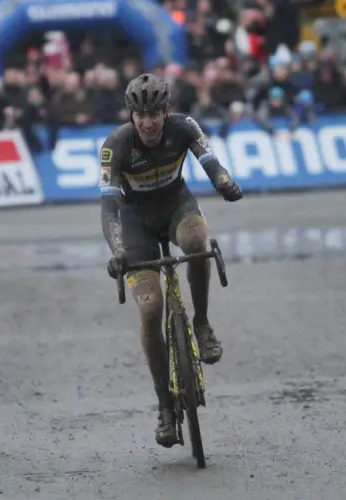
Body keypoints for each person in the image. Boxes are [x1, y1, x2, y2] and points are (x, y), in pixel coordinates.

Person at [99, 73, 243, 447]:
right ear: (131, 115)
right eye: (139, 114)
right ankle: (164, 406)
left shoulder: (184, 127)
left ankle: (202, 323)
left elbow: (210, 160)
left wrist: (224, 183)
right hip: (135, 222)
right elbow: (110, 205)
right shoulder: (116, 144)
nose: (147, 122)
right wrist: (117, 249)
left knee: (197, 240)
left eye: (154, 114)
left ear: (167, 111)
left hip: (176, 204)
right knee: (150, 308)